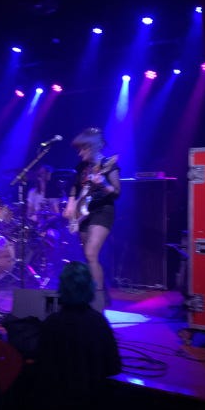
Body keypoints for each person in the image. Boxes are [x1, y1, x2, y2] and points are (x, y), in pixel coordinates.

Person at [28, 260, 121, 410]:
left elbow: (40, 365)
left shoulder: (52, 324)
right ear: (90, 288)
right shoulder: (99, 322)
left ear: (62, 288)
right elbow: (114, 367)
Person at [62, 127, 120, 312]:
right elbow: (74, 187)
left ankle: (99, 302)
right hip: (84, 213)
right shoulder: (82, 167)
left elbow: (116, 192)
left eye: (83, 149)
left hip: (103, 210)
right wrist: (70, 204)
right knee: (88, 258)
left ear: (92, 147)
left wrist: (103, 184)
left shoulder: (108, 164)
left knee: (91, 254)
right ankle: (98, 295)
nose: (80, 153)